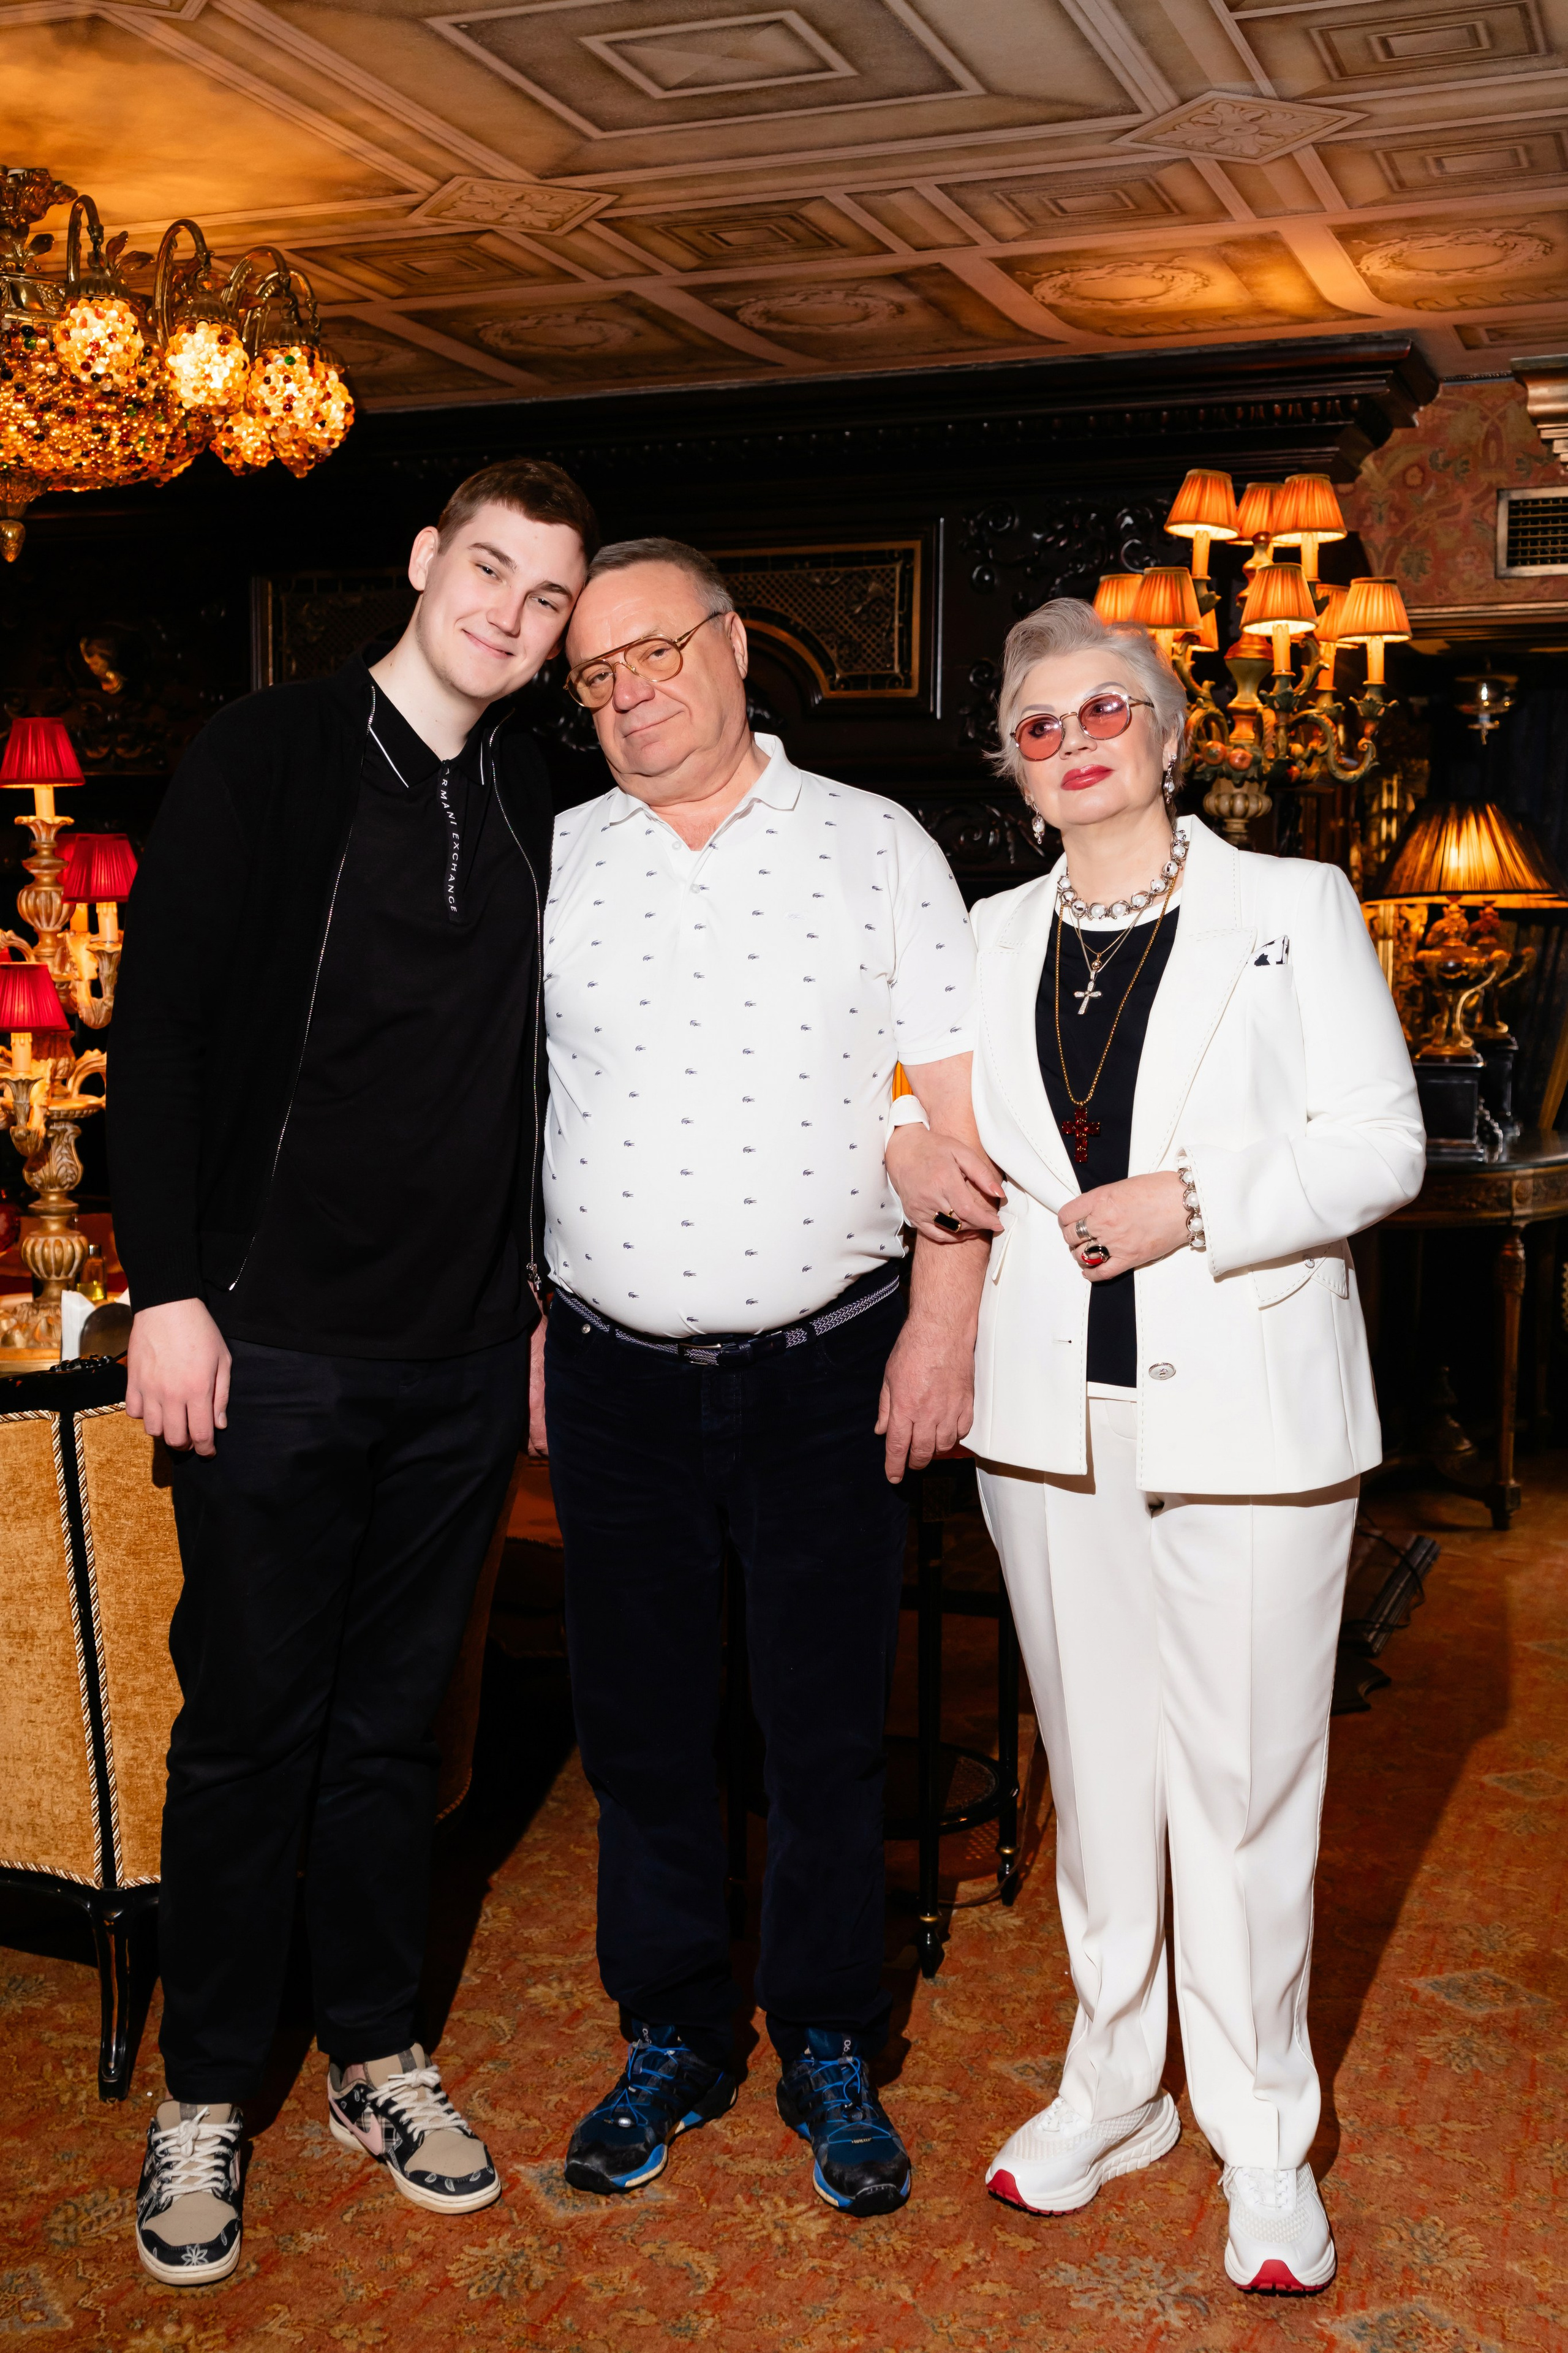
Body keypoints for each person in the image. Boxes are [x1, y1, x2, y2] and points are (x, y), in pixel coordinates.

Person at [886, 597, 1423, 2294]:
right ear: (1013, 767)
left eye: (1103, 708)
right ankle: (1113, 2083)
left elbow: (1384, 1143)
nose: (1072, 740)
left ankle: (1262, 2134)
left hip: (1255, 1409)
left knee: (1248, 1787)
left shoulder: (1293, 903)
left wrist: (1195, 1203)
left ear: (1171, 731)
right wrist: (901, 1146)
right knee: (1100, 1777)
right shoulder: (975, 933)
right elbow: (918, 1104)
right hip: (1050, 1419)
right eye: (1035, 725)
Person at [109, 457, 597, 2284]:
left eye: (547, 598)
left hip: (465, 1355)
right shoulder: (271, 754)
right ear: (424, 560)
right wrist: (170, 1287)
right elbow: (156, 1031)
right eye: (490, 570)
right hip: (269, 1345)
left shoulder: (543, 793)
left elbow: (547, 1076)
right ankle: (209, 2086)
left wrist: (537, 1302)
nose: (512, 613)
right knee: (250, 1728)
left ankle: (377, 2051)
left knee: (403, 1728)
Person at [539, 537, 994, 2217]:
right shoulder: (558, 857)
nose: (628, 692)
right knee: (642, 1735)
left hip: (827, 1370)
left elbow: (953, 1120)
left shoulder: (878, 849)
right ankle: (670, 2028)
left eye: (653, 652)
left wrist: (941, 1328)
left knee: (820, 1733)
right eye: (592, 675)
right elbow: (506, 1114)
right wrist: (528, 1319)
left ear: (734, 648)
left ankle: (824, 2038)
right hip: (609, 1375)